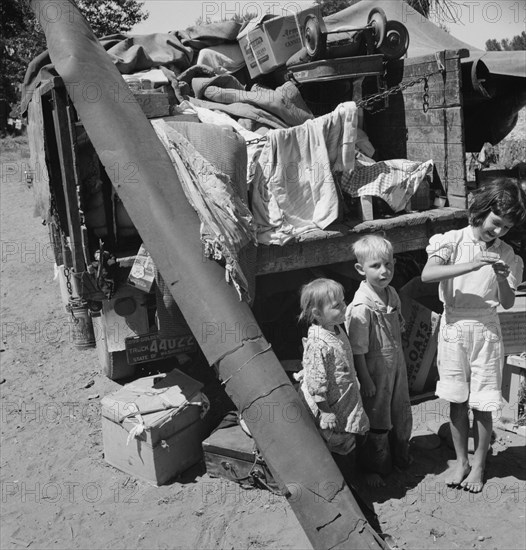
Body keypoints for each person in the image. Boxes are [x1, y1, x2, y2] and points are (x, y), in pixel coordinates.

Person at [421, 178, 526, 493]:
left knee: (482, 403)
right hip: (454, 328)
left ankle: (479, 464)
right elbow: (428, 274)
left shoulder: (508, 254)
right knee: (456, 400)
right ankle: (461, 461)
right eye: (496, 223)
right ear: (482, 211)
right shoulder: (452, 240)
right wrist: (471, 264)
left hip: (486, 331)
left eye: (506, 228)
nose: (498, 232)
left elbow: (507, 303)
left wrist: (505, 279)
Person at [345, 235, 413, 487]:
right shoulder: (362, 307)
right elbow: (357, 350)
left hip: (396, 365)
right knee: (378, 415)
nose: (384, 271)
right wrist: (366, 379)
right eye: (375, 266)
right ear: (360, 269)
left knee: (400, 408)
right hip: (375, 371)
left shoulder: (392, 293)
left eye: (388, 264)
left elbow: (399, 324)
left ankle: (401, 454)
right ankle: (377, 466)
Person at [297, 278, 370, 463]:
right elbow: (316, 380)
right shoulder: (317, 343)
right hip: (330, 405)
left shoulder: (336, 329)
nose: (344, 307)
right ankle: (343, 482)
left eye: (344, 301)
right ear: (317, 313)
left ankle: (356, 472)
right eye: (337, 305)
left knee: (350, 433)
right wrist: (325, 411)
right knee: (336, 442)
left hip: (344, 397)